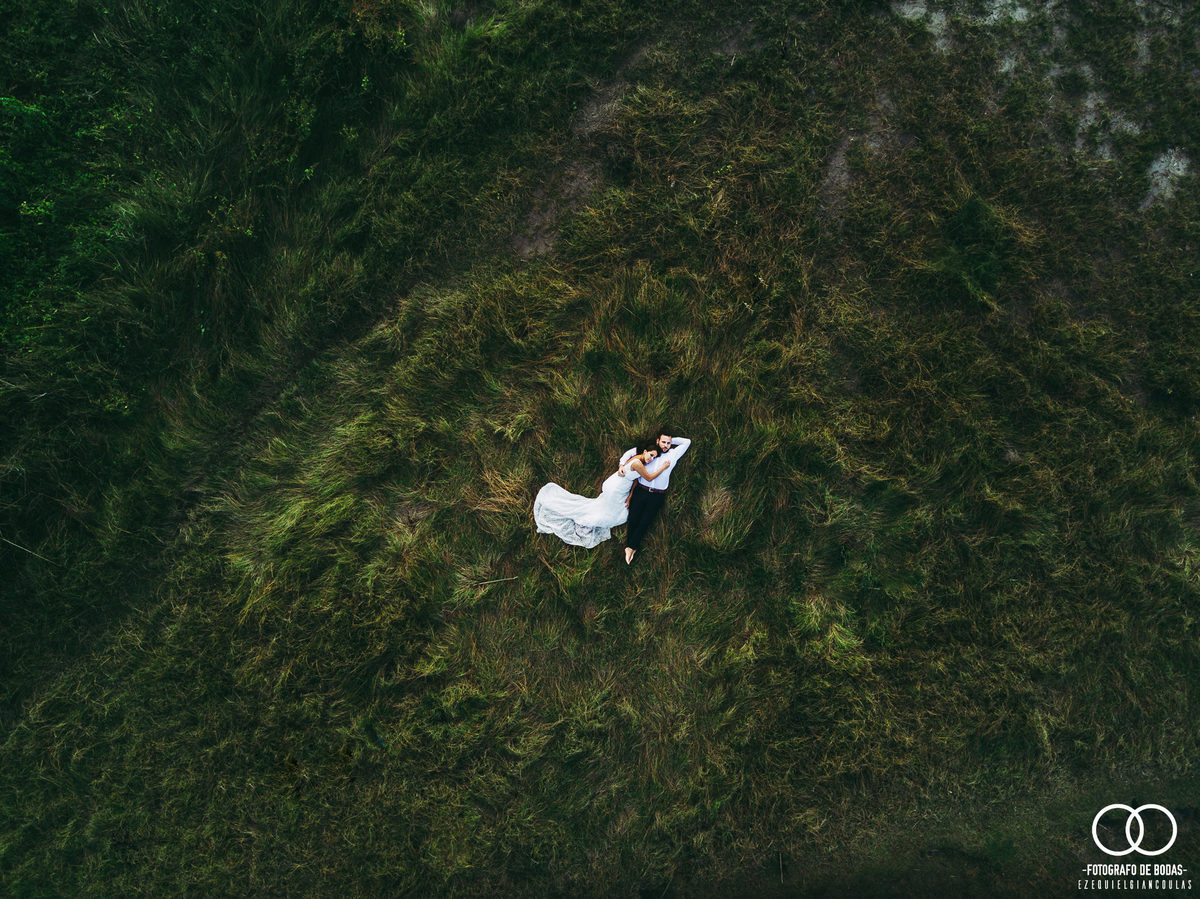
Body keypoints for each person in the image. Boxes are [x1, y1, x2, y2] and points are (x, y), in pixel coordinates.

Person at [534, 446, 672, 548]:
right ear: (645, 451)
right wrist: (663, 467)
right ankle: (586, 521)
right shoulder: (638, 463)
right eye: (651, 455)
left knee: (605, 507)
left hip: (618, 483)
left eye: (654, 457)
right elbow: (648, 478)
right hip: (617, 488)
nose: (651, 459)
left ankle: (591, 516)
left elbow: (636, 478)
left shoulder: (638, 459)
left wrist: (630, 496)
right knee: (620, 515)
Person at [624, 430, 691, 565]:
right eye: (663, 442)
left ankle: (631, 547)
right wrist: (621, 464)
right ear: (657, 441)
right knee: (633, 518)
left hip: (657, 495)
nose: (665, 445)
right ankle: (630, 547)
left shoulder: (673, 454)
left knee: (645, 521)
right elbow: (630, 454)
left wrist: (671, 441)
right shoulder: (650, 452)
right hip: (641, 490)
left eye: (668, 443)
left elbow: (687, 442)